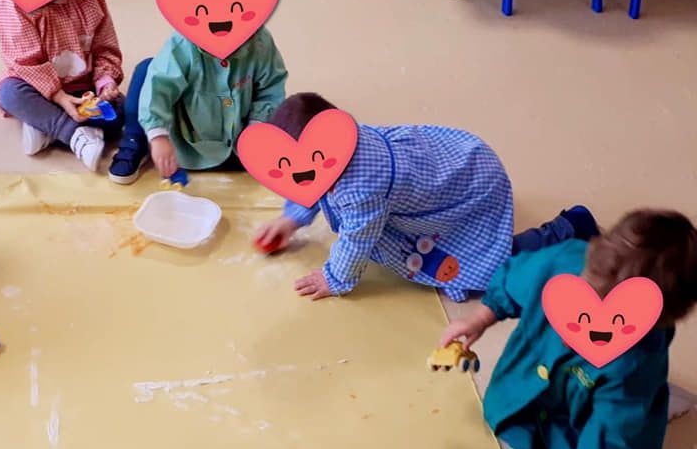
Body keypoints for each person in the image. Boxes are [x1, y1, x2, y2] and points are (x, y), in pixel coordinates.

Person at [253, 92, 598, 302]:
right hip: (458, 154)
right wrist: (292, 217)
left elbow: (358, 240)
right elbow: (310, 182)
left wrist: (335, 278)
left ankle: (568, 228)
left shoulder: (362, 189)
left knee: (489, 272)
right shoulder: (336, 150)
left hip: (472, 187)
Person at [441, 209, 697, 449]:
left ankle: (657, 404)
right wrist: (480, 318)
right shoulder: (561, 262)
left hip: (574, 440)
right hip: (515, 397)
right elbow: (512, 278)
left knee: (632, 419)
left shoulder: (634, 364)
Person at [108, 0, 288, 184]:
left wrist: (256, 130)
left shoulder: (261, 43)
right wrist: (158, 136)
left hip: (238, 148)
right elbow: (158, 89)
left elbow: (271, 88)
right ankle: (134, 141)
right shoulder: (183, 44)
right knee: (147, 71)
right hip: (186, 143)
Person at [0, 0, 125, 167]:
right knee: (9, 93)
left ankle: (43, 126)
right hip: (37, 88)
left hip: (85, 87)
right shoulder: (12, 5)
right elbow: (26, 62)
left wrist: (105, 82)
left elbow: (105, 47)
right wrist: (58, 96)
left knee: (124, 112)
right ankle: (70, 132)